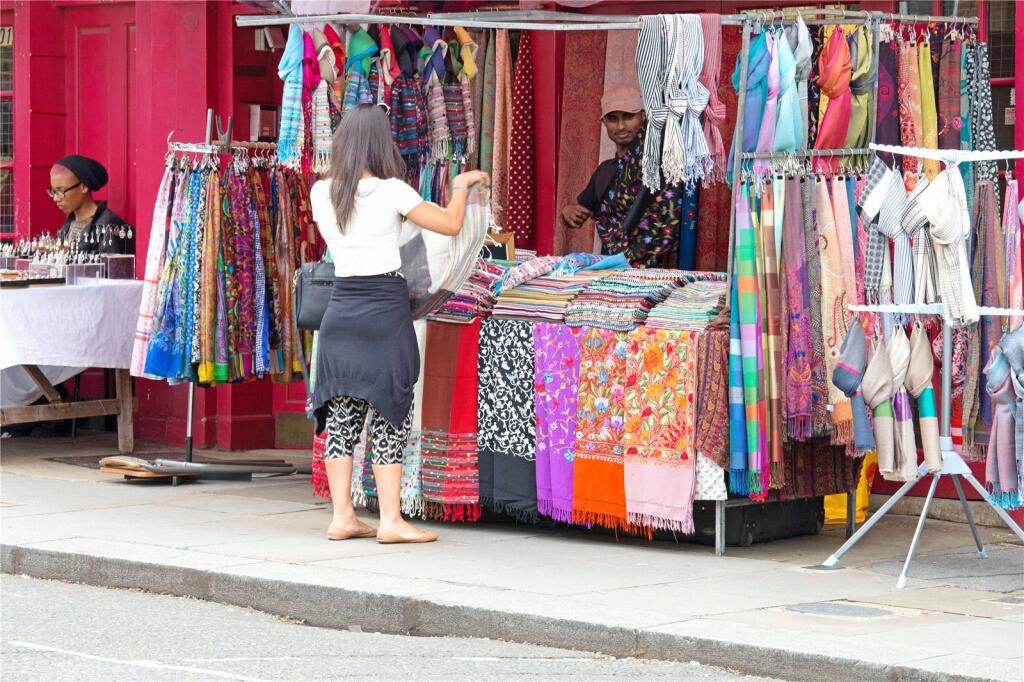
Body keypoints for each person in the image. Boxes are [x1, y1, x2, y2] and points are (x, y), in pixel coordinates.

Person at [309, 104, 488, 544]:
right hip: (384, 313)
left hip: (340, 313)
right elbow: (450, 225)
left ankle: (343, 517)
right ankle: (390, 520)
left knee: (342, 419)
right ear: (380, 143)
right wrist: (460, 186)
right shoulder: (392, 191)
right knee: (390, 413)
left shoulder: (321, 192)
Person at [560, 85, 681, 268]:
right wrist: (567, 212)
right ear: (603, 122)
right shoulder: (604, 172)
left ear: (643, 116)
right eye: (613, 119)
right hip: (612, 272)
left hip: (657, 273)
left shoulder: (658, 165)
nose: (621, 126)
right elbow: (578, 214)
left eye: (628, 116)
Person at [51, 155, 134, 254]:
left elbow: (111, 263)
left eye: (60, 191)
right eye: (53, 191)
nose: (55, 198)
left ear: (84, 187)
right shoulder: (68, 224)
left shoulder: (109, 227)